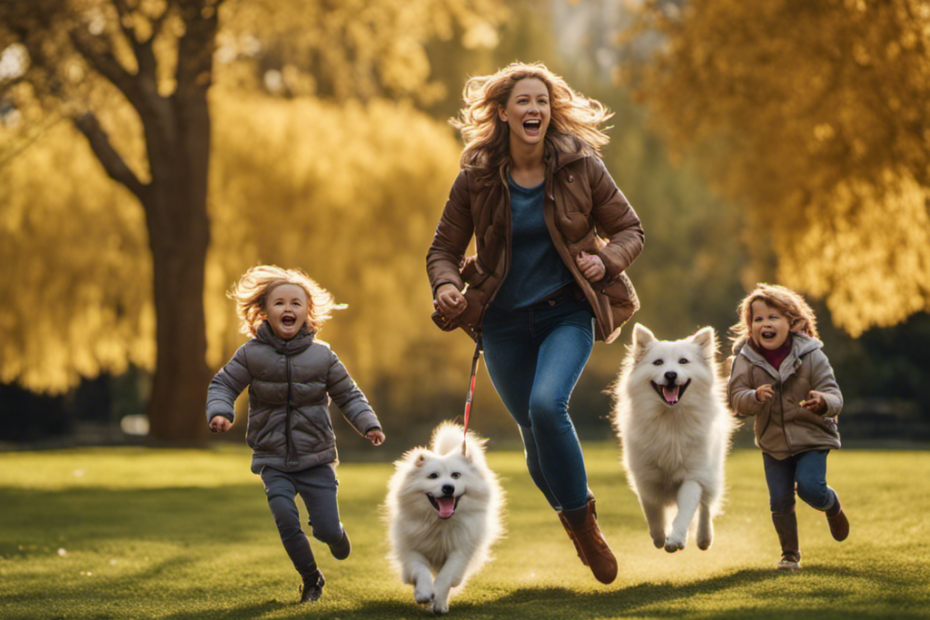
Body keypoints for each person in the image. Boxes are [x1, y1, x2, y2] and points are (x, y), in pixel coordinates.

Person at [426, 61, 644, 585]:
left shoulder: (582, 166)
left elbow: (630, 230)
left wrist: (607, 260)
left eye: (542, 102)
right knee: (530, 430)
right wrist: (447, 287)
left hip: (564, 312)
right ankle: (573, 521)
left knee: (548, 406)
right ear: (503, 112)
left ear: (551, 112)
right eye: (524, 101)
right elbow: (443, 251)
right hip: (501, 322)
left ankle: (585, 525)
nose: (535, 110)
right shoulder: (476, 178)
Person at [206, 265, 385, 602]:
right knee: (287, 519)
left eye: (296, 303)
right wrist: (220, 412)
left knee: (327, 529)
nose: (288, 309)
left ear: (307, 312)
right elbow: (224, 384)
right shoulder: (251, 354)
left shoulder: (322, 356)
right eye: (279, 303)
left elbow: (348, 395)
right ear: (263, 311)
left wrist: (369, 424)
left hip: (316, 457)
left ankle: (335, 535)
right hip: (272, 458)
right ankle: (311, 579)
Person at [727, 283, 849, 570]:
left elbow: (835, 396)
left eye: (773, 317)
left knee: (810, 488)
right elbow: (735, 398)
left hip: (812, 436)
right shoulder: (745, 359)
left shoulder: (812, 355)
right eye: (758, 319)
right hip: (773, 442)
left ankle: (831, 505)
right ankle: (789, 554)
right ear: (750, 327)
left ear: (792, 323)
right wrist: (753, 397)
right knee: (780, 501)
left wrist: (823, 402)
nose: (765, 324)